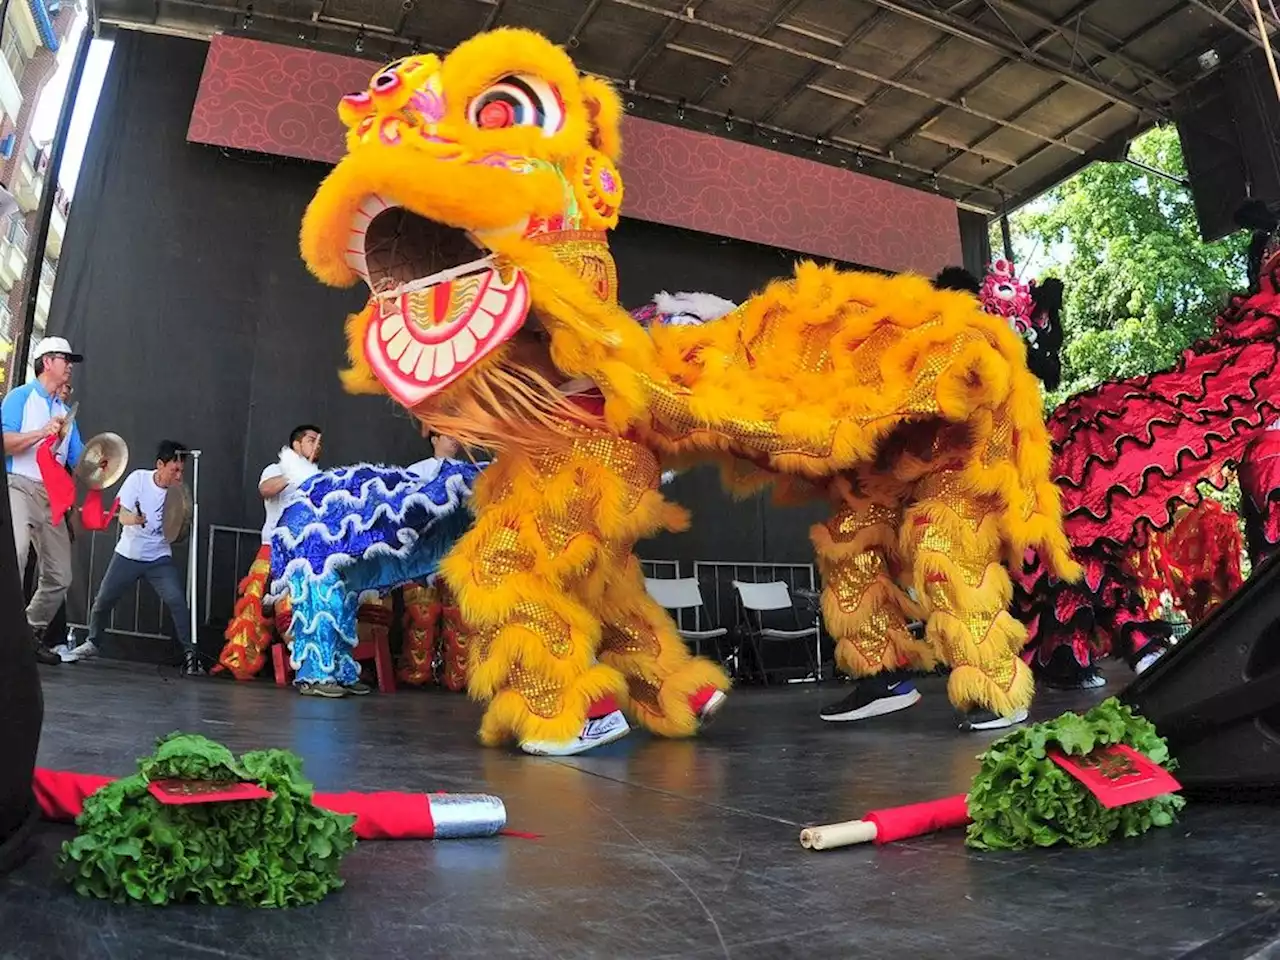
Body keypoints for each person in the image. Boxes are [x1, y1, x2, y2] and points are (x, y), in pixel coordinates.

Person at [62, 441, 201, 674]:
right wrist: (134, 520)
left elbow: (178, 531)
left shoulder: (179, 493)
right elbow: (123, 514)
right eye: (174, 470)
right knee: (103, 600)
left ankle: (190, 654)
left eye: (181, 471)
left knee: (177, 600)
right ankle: (93, 642)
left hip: (159, 557)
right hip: (129, 553)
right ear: (160, 465)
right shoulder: (138, 479)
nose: (178, 476)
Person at [215, 424, 322, 679]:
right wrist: (297, 472)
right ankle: (238, 662)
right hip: (272, 549)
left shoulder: (319, 478)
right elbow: (265, 490)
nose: (316, 445)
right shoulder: (277, 469)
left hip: (303, 555)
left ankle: (306, 661)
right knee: (252, 603)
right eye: (310, 440)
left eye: (319, 441)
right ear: (296, 445)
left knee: (295, 606)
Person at [2, 336, 83, 666]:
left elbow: (80, 458)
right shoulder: (20, 397)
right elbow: (5, 442)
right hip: (18, 486)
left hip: (51, 495)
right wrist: (42, 433)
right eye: (66, 359)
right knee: (16, 553)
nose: (70, 367)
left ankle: (28, 633)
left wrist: (102, 464)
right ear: (47, 361)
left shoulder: (66, 411)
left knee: (61, 576)